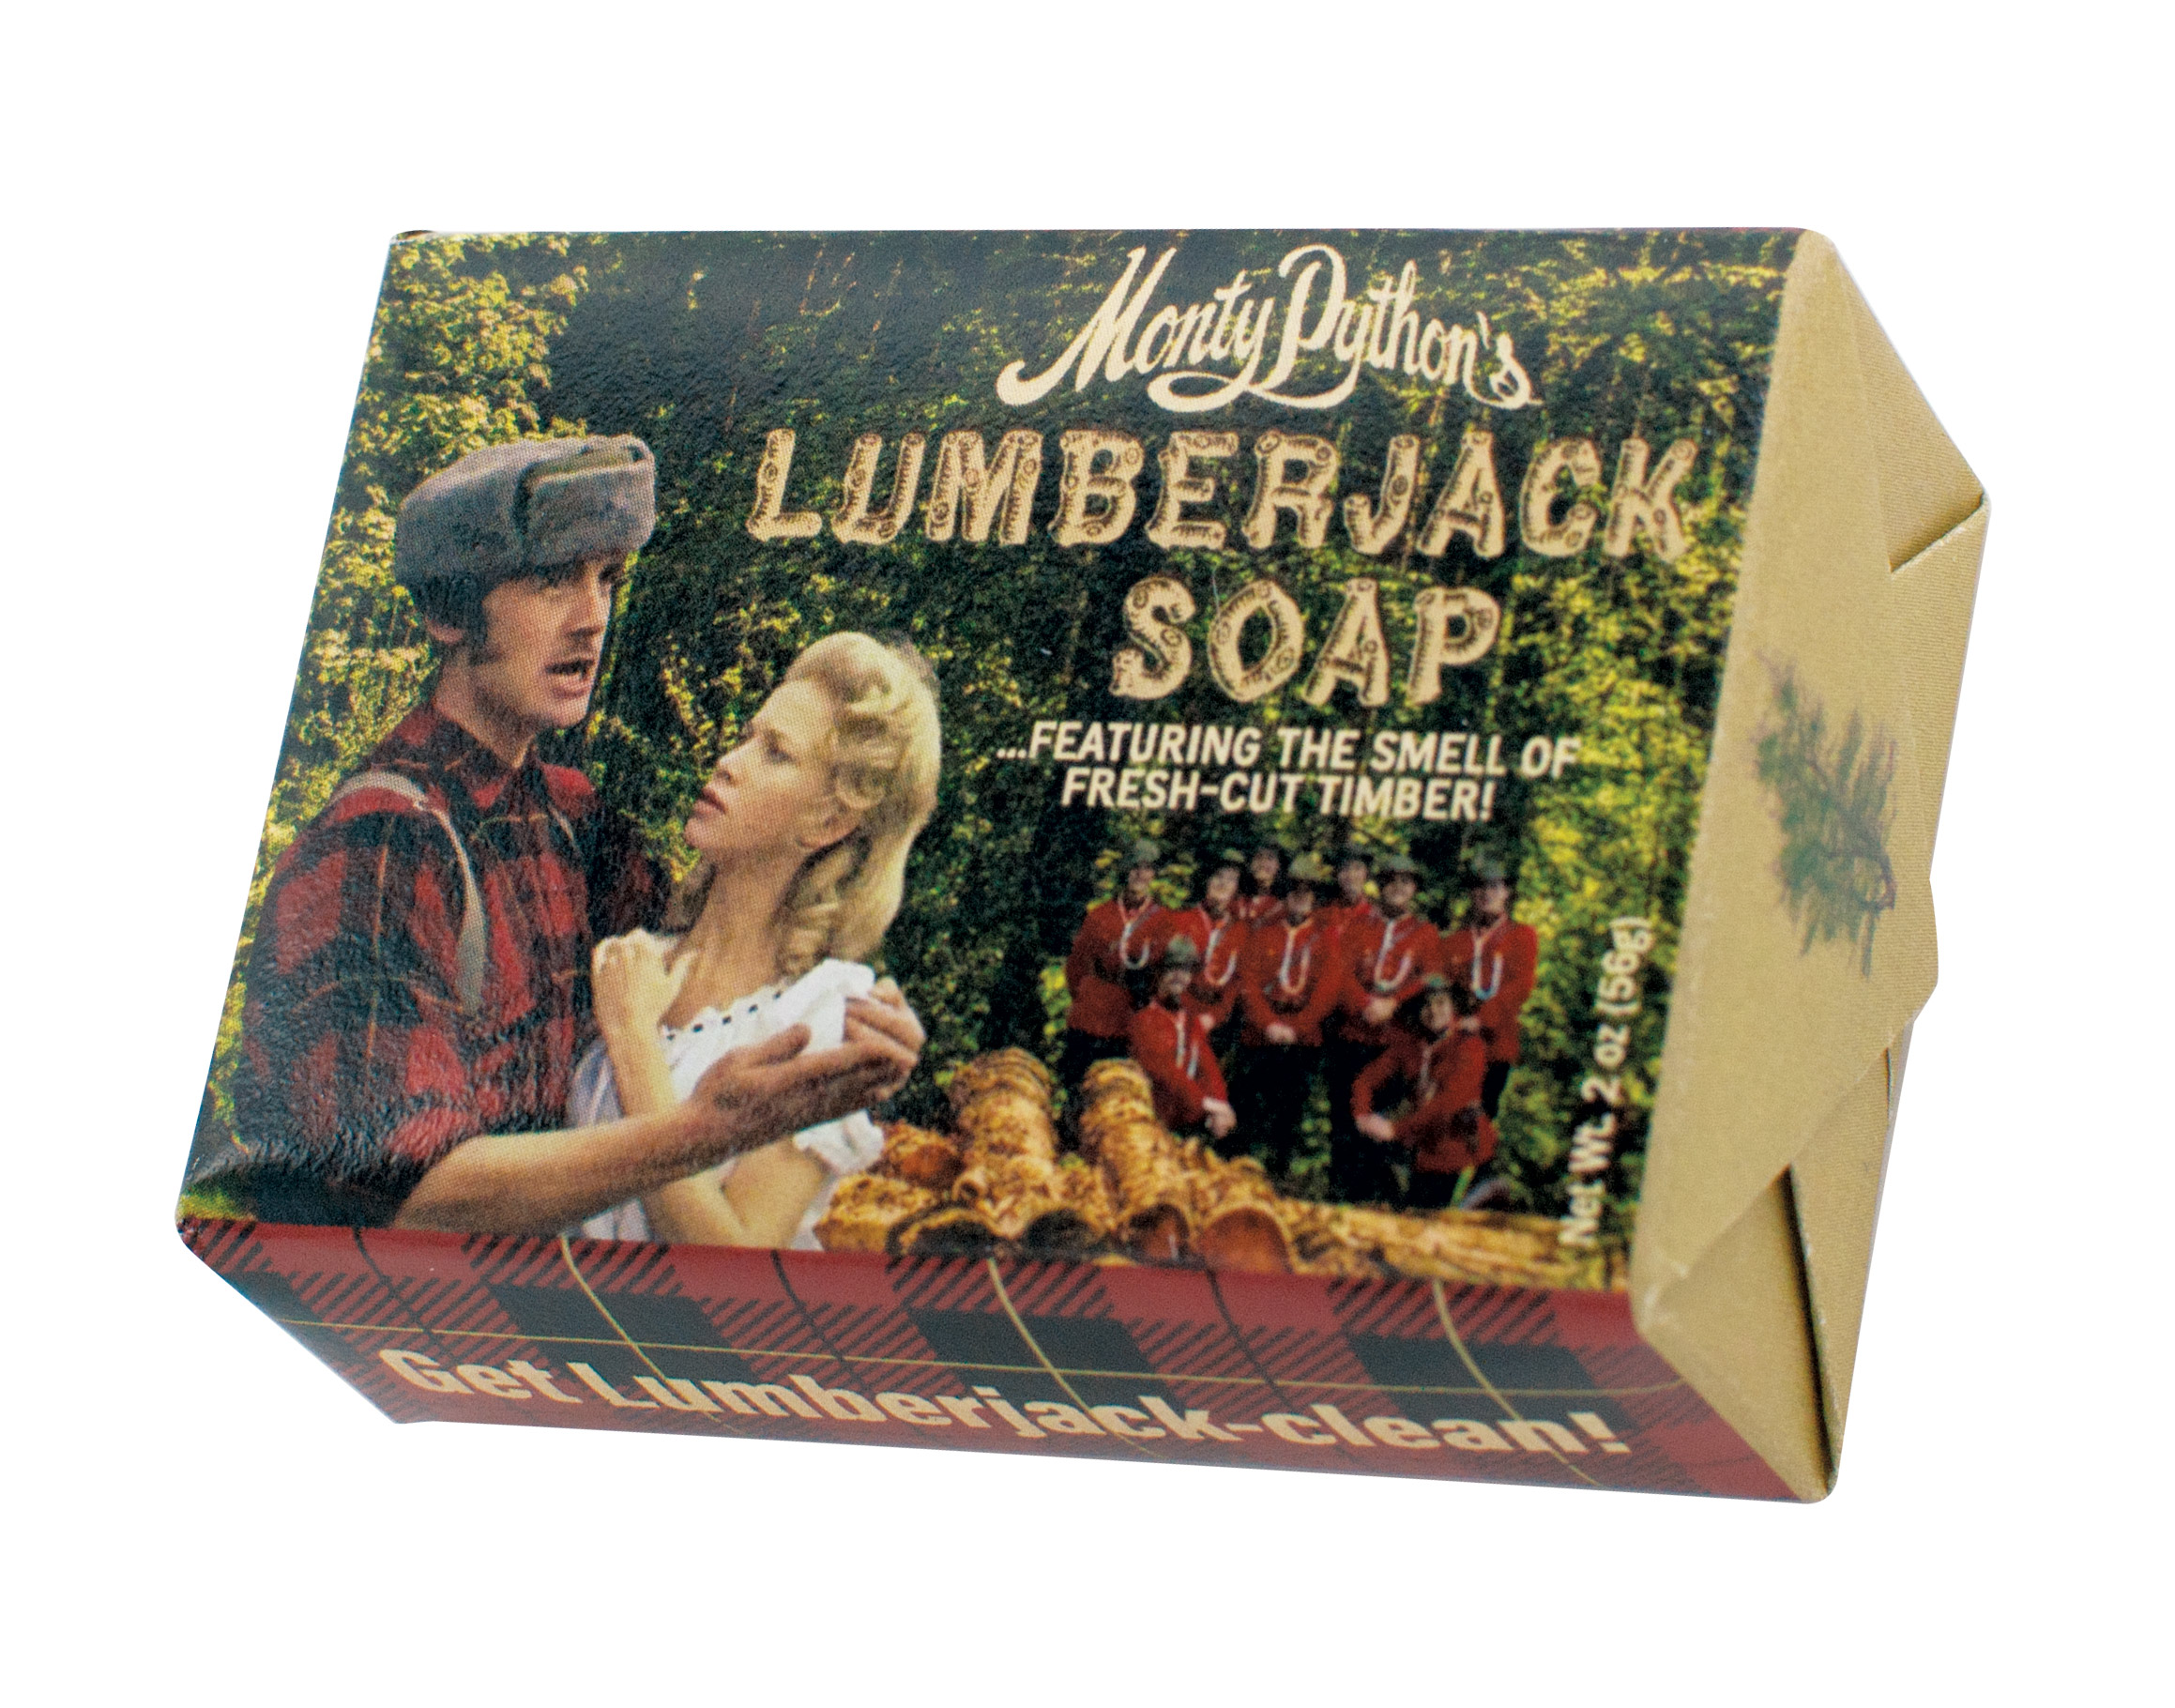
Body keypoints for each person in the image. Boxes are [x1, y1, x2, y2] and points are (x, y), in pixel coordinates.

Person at [208, 437, 920, 1231]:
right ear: (447, 612)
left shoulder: (574, 822)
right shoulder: (379, 843)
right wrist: (705, 1130)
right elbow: (408, 1196)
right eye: (552, 580)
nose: (592, 619)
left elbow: (721, 971)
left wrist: (852, 1039)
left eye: (606, 578)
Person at [572, 633, 941, 1248]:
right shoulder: (637, 958)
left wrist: (633, 1040)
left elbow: (730, 1267)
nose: (729, 762)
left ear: (829, 820)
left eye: (776, 753)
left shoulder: (822, 1016)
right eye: (747, 737)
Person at [1323, 852, 1441, 1204]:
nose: (1398, 889)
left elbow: (1429, 978)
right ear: (1382, 885)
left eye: (1406, 883)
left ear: (1414, 889)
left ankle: (1376, 1198)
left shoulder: (1424, 932)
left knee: (1380, 1118)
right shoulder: (1360, 925)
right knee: (1344, 1116)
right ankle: (1339, 1195)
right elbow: (1340, 970)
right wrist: (1363, 1003)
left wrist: (1395, 1002)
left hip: (1394, 1041)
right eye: (1391, 881)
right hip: (1351, 1033)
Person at [1228, 852, 1340, 1177]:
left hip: (1302, 1036)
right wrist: (1268, 1024)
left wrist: (1297, 1027)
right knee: (1247, 1106)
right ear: (1285, 894)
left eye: (1308, 892)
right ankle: (1236, 1171)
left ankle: (1278, 1174)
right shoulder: (1264, 933)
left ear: (1315, 898)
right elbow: (1248, 983)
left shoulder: (1325, 938)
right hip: (1261, 1032)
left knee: (1288, 1113)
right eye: (1294, 890)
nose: (1300, 898)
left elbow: (1327, 991)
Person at [1352, 975, 1498, 1212]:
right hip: (1422, 1150)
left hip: (1460, 1153)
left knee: (1438, 1219)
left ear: (1454, 1007)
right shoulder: (1411, 1044)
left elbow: (1447, 1105)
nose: (1433, 1011)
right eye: (1426, 1004)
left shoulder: (1469, 1046)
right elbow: (1366, 1080)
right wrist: (1362, 1115)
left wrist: (1395, 1129)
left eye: (1441, 1003)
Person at [1438, 850, 1539, 1119]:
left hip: (1496, 1043)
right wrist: (1452, 1022)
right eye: (1480, 887)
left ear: (1506, 892)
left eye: (1494, 887)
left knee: (1480, 1118)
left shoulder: (1521, 936)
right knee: (1446, 1113)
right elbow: (1441, 988)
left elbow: (1521, 986)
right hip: (1455, 1040)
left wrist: (1482, 1019)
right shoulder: (1454, 941)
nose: (1486, 894)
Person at [1061, 838, 1164, 1088]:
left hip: (1126, 1017)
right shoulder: (1100, 915)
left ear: (1153, 875)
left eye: (1147, 868)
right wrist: (1086, 997)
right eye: (1135, 867)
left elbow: (1162, 974)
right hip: (1091, 1012)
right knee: (1078, 1087)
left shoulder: (1162, 921)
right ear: (1125, 870)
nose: (1140, 874)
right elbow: (1075, 967)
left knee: (1116, 1090)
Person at [1128, 937, 1235, 1141]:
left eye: (1186, 970)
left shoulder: (1189, 1020)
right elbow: (1167, 1072)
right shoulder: (1144, 1020)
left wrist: (1220, 1104)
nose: (1180, 976)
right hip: (1150, 1119)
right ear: (1158, 973)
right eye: (1172, 968)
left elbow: (1208, 1067)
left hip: (1186, 1120)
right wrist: (1206, 1104)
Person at [1150, 847, 1250, 1038]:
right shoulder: (1179, 920)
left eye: (1231, 879)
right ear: (1207, 880)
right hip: (1177, 1014)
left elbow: (1236, 983)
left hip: (1217, 1024)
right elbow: (1161, 973)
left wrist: (1214, 1017)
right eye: (1218, 876)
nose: (1223, 883)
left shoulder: (1241, 931)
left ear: (1237, 888)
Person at [1317, 847, 1379, 942]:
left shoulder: (1376, 913)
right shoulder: (1324, 913)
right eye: (1344, 869)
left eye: (1357, 868)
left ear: (1366, 873)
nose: (1351, 875)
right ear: (1336, 874)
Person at [1234, 842, 1287, 924]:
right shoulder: (1237, 898)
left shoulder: (1285, 903)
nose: (1263, 862)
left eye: (1270, 858)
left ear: (1279, 866)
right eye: (1258, 857)